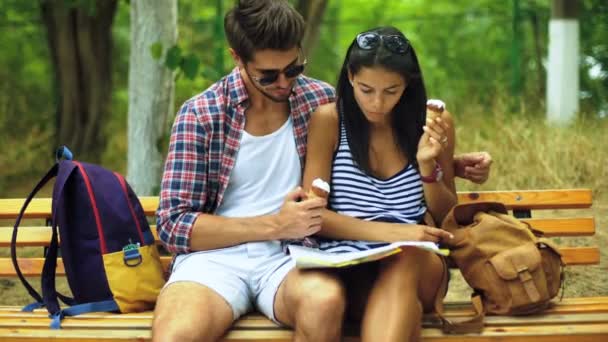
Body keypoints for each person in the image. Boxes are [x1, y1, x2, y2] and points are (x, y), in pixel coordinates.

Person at [154, 1, 492, 341]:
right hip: (216, 261)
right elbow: (173, 225)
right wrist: (273, 225)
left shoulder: (318, 99)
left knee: (325, 302)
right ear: (237, 57)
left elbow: (373, 142)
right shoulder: (201, 114)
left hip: (290, 257)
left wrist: (449, 164)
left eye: (293, 68)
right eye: (268, 75)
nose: (284, 82)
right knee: (177, 336)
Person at [300, 26, 464, 341]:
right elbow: (313, 216)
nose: (377, 102)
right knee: (407, 311)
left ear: (408, 84)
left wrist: (427, 166)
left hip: (419, 266)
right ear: (350, 77)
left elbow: (447, 215)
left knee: (405, 255)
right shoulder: (329, 121)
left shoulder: (433, 122)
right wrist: (396, 232)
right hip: (351, 268)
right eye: (366, 89)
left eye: (391, 90)